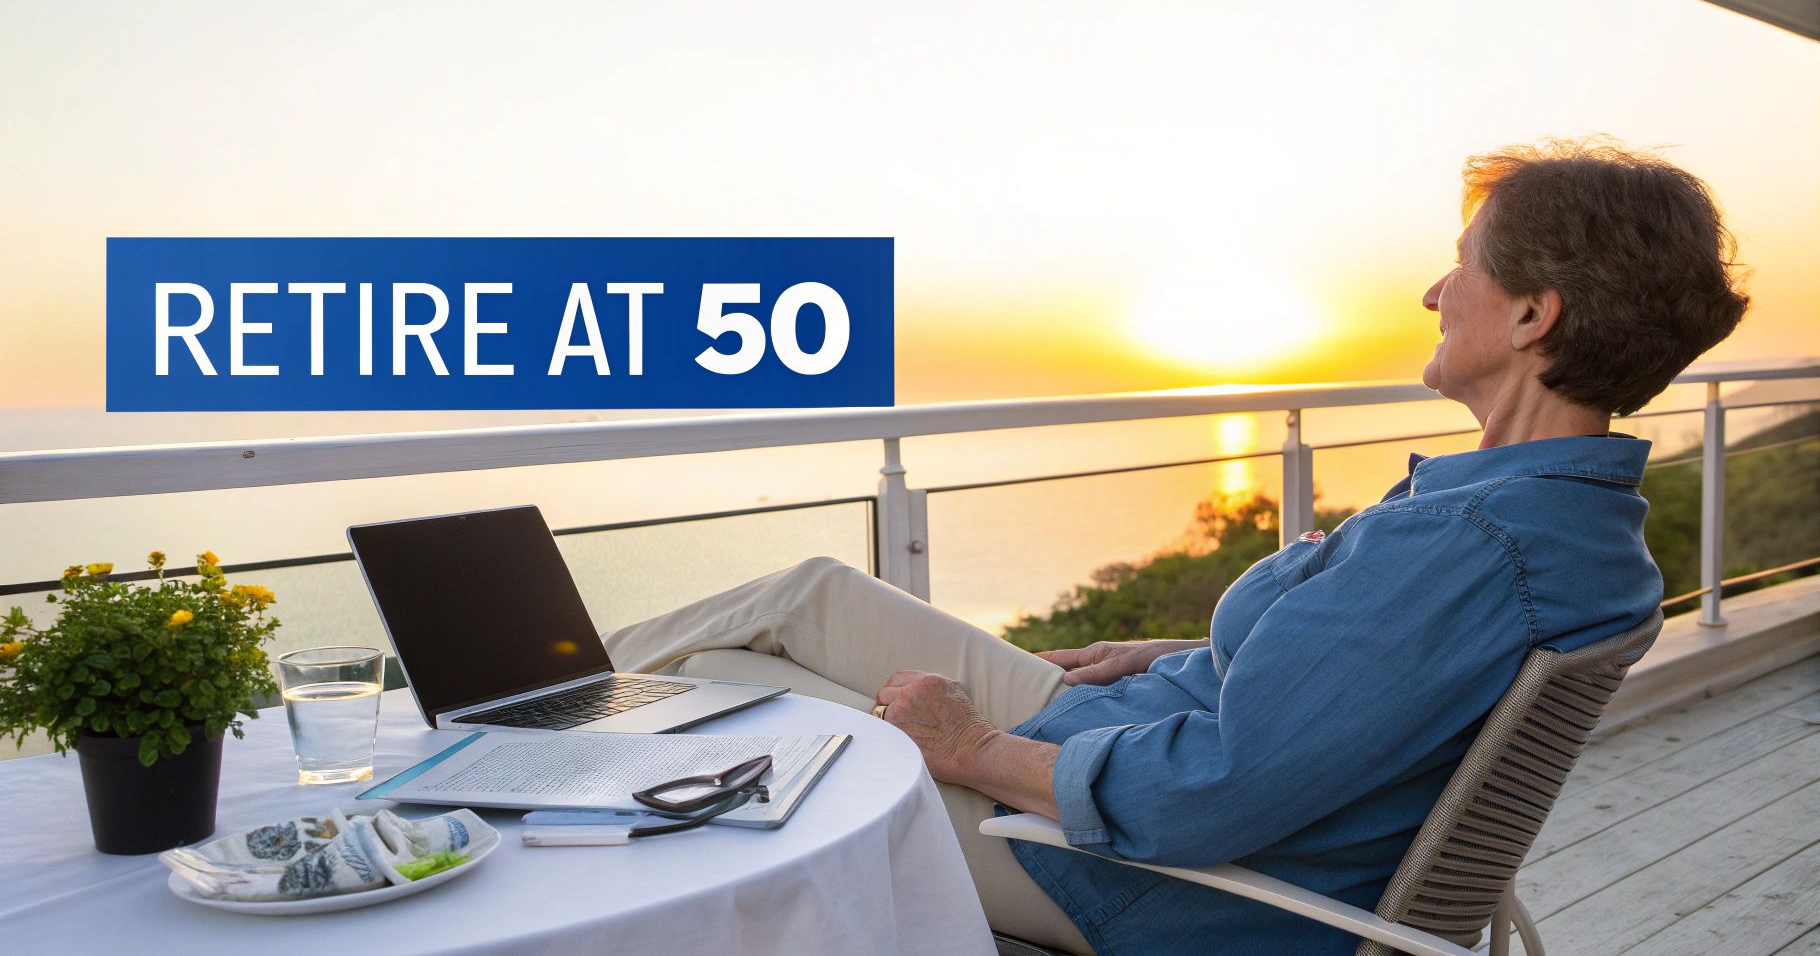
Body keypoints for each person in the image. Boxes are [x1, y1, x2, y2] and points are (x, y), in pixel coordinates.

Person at [604, 138, 1750, 955]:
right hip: (1137, 732)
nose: (1431, 288)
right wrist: (1166, 653)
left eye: (1462, 260)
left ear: (1529, 315)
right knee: (804, 598)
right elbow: (1354, 691)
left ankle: (494, 756)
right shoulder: (1563, 518)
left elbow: (1211, 796)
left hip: (1152, 873)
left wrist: (968, 747)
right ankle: (511, 710)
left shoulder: (1470, 543)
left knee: (729, 691)